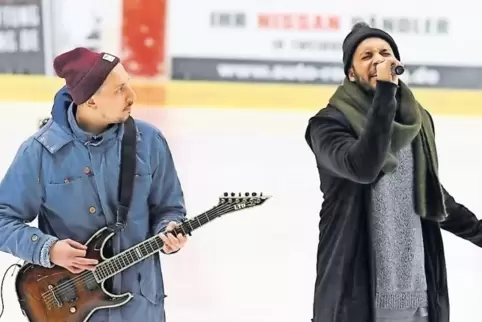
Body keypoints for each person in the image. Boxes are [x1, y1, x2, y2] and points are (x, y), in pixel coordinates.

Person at [304, 22, 482, 322]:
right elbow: (363, 167)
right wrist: (385, 93)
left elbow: (431, 196)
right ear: (350, 72)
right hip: (357, 295)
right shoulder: (328, 125)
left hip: (418, 296)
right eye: (366, 55)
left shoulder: (417, 121)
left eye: (385, 52)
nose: (377, 59)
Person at [0, 47, 188, 322]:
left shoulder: (149, 142)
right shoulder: (39, 153)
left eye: (129, 84)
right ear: (90, 101)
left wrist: (169, 229)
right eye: (119, 90)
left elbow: (169, 208)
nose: (132, 97)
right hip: (73, 311)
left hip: (142, 309)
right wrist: (48, 248)